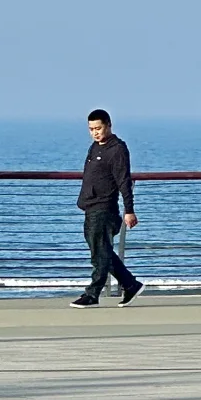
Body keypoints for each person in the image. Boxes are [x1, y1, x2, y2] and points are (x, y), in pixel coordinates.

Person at [72, 109, 143, 308]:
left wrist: (129, 210)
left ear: (109, 125)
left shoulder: (117, 149)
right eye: (91, 129)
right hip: (90, 206)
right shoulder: (94, 148)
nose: (95, 132)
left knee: (99, 255)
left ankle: (93, 294)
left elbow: (124, 181)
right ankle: (130, 284)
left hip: (105, 208)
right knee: (102, 251)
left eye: (98, 128)